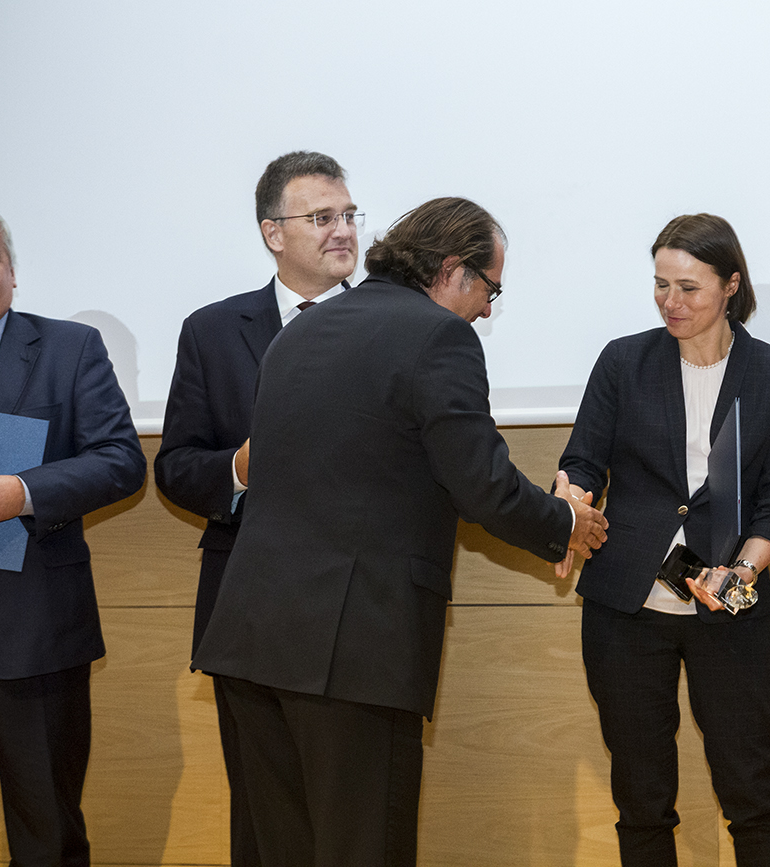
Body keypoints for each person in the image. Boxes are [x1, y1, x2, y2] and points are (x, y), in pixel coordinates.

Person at [191, 196, 609, 867]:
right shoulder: (439, 338)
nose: (488, 310)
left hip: (250, 641)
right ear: (451, 269)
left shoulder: (299, 332)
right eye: (490, 288)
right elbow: (482, 485)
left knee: (282, 851)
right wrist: (566, 521)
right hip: (355, 653)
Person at [559, 213, 770, 867]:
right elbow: (582, 462)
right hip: (625, 605)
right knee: (640, 796)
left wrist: (741, 573)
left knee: (752, 790)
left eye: (689, 287)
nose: (671, 301)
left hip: (728, 601)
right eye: (661, 284)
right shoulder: (623, 361)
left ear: (731, 285)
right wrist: (571, 496)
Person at [153, 150, 360, 866]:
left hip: (358, 609)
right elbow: (176, 466)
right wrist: (240, 468)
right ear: (274, 233)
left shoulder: (397, 324)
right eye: (322, 217)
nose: (343, 230)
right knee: (263, 820)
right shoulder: (212, 331)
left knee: (351, 821)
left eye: (348, 215)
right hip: (247, 611)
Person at [0, 204, 146, 864]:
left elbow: (121, 460)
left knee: (46, 834)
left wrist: (19, 492)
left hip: (34, 632)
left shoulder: (69, 349)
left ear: (12, 272)